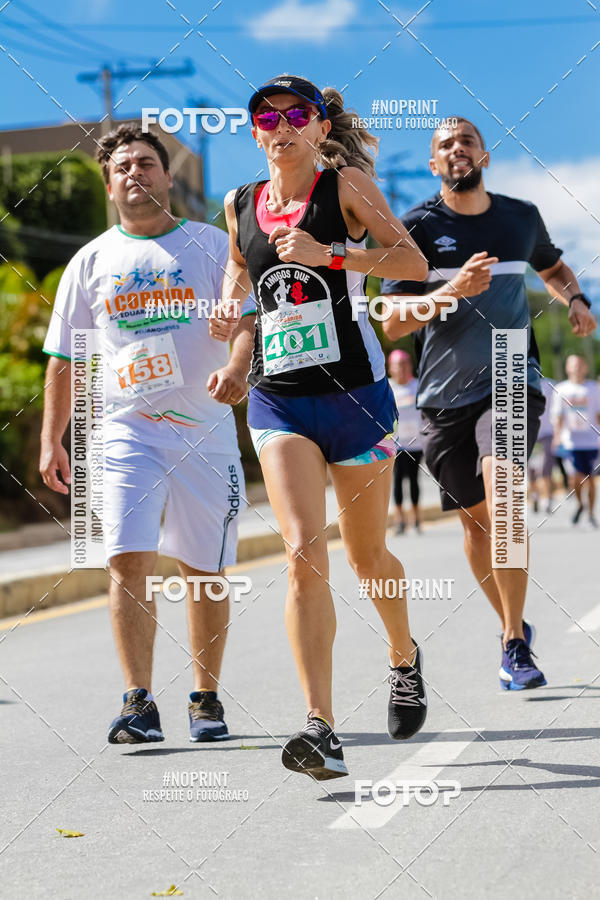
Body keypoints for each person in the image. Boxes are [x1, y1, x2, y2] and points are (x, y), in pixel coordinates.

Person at [210, 75, 429, 780]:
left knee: (367, 559)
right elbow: (240, 278)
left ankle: (403, 657)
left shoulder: (348, 188)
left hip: (356, 397)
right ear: (253, 131)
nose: (279, 125)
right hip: (278, 399)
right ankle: (320, 727)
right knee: (304, 549)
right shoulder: (239, 202)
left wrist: (332, 255)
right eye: (265, 116)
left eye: (294, 114)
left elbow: (412, 262)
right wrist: (232, 331)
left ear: (317, 123)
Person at [40, 123, 255, 744]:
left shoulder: (214, 245)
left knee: (203, 570)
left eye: (146, 163)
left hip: (206, 431)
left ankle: (206, 700)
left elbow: (247, 322)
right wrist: (54, 439)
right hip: (123, 431)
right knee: (127, 559)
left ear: (166, 176)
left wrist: (238, 369)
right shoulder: (91, 261)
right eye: (122, 167)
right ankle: (138, 701)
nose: (135, 173)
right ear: (111, 187)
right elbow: (66, 357)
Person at [380, 116, 597, 692]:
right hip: (441, 396)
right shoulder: (417, 228)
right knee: (476, 527)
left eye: (467, 141)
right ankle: (511, 618)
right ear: (433, 164)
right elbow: (394, 323)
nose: (458, 150)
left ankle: (513, 644)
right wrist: (451, 290)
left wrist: (574, 297)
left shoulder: (520, 217)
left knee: (505, 502)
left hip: (509, 374)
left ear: (485, 155)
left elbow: (552, 266)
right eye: (445, 145)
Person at [551, 355, 600, 527]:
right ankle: (580, 504)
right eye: (573, 365)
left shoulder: (593, 388)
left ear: (585, 367)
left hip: (592, 440)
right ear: (567, 368)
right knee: (575, 478)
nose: (577, 368)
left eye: (580, 365)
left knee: (591, 478)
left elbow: (598, 414)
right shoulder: (561, 389)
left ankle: (591, 513)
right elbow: (558, 416)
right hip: (571, 441)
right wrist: (557, 436)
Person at [387, 349, 423, 533]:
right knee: (398, 480)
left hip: (416, 443)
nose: (401, 369)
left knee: (414, 480)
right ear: (391, 368)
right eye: (397, 366)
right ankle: (399, 519)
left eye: (404, 365)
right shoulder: (388, 387)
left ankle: (416, 518)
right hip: (395, 444)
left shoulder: (417, 385)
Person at [528, 376, 556, 515]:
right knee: (531, 471)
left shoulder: (551, 385)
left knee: (545, 468)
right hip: (528, 435)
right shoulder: (518, 382)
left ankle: (547, 499)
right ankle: (535, 496)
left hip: (547, 433)